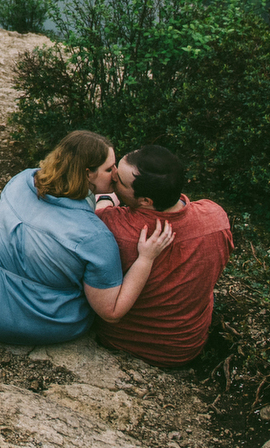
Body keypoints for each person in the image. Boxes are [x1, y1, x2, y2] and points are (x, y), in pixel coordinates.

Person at [0, 129, 174, 345]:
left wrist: (103, 203)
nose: (116, 173)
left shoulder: (21, 181)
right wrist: (145, 259)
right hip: (26, 325)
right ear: (88, 174)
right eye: (109, 169)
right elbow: (112, 312)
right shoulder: (96, 236)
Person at [93, 144, 233, 368]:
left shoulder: (111, 226)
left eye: (119, 179)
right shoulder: (215, 219)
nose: (114, 179)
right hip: (185, 350)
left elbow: (98, 215)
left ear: (146, 200)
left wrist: (106, 199)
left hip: (119, 342)